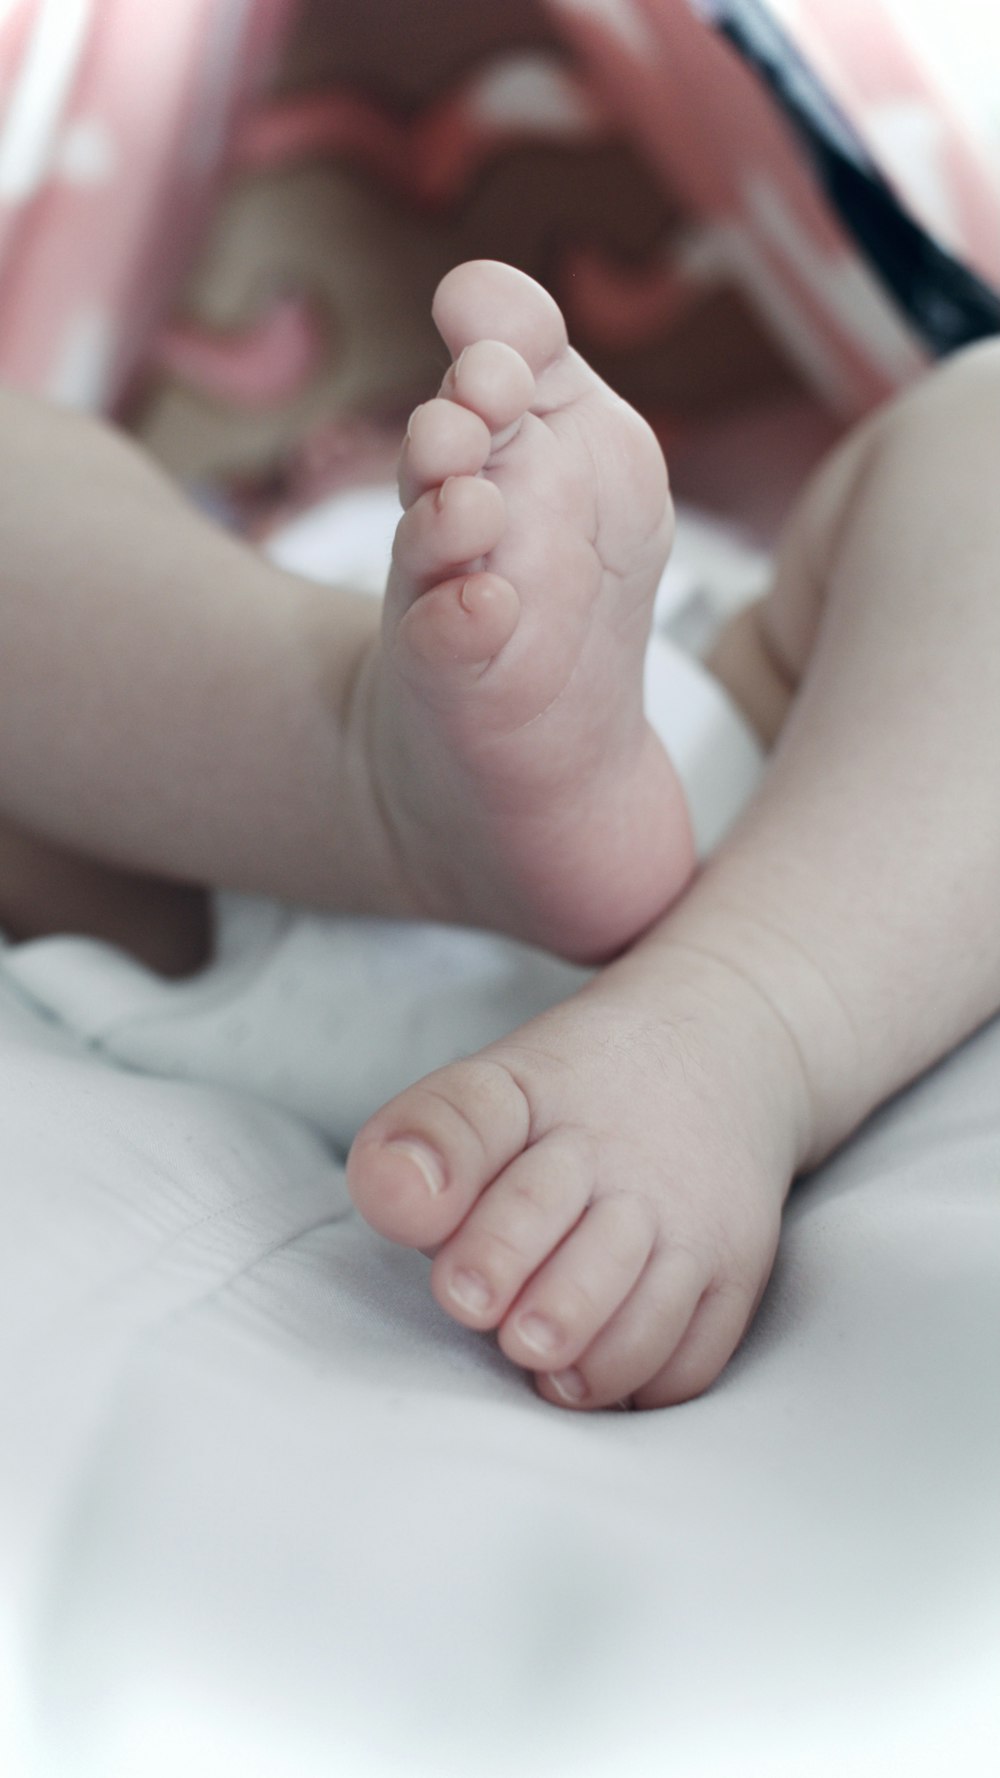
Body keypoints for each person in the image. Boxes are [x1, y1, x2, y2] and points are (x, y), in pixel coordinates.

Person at [1, 260, 998, 1411]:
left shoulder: (671, 491)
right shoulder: (241, 556)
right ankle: (380, 776)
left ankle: (741, 1005)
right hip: (231, 801)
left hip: (787, 784)